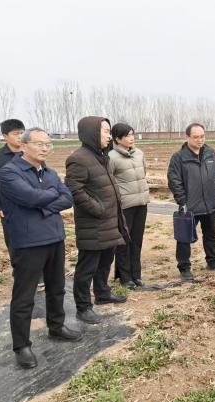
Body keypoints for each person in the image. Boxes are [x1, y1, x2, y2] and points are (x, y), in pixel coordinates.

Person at [0, 128, 82, 369]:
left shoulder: (50, 172)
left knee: (56, 287)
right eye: (39, 144)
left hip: (54, 237)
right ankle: (21, 345)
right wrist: (49, 197)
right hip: (28, 241)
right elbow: (30, 197)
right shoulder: (9, 172)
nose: (45, 148)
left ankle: (56, 326)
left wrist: (44, 203)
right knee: (24, 296)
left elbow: (67, 199)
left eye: (48, 144)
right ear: (24, 146)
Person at [66, 116, 129, 325]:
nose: (109, 136)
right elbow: (75, 190)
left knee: (105, 261)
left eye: (109, 131)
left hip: (109, 221)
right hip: (93, 224)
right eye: (105, 131)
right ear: (91, 133)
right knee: (87, 267)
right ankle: (83, 307)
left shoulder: (102, 156)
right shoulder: (79, 159)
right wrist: (98, 209)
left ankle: (102, 293)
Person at [167, 122, 215, 281]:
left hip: (210, 204)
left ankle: (212, 261)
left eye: (202, 136)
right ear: (187, 137)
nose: (200, 140)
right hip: (190, 206)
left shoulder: (210, 153)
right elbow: (174, 181)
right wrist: (182, 201)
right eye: (195, 137)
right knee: (184, 238)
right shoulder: (179, 157)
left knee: (210, 234)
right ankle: (184, 268)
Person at [108, 123, 150, 288]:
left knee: (137, 240)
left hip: (141, 203)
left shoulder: (139, 153)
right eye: (127, 135)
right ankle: (125, 277)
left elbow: (143, 173)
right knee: (124, 241)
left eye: (132, 134)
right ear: (117, 139)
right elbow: (109, 181)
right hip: (124, 206)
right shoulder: (111, 157)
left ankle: (136, 275)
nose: (131, 138)